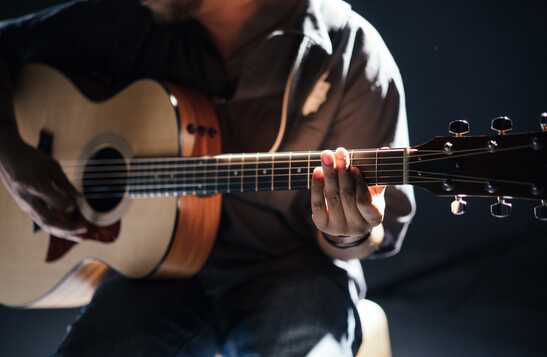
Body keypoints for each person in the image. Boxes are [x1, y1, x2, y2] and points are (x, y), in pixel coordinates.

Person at [0, 0, 415, 355]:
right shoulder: (132, 19)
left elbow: (372, 234)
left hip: (293, 273)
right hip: (154, 277)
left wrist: (348, 230)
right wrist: (12, 155)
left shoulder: (352, 54)